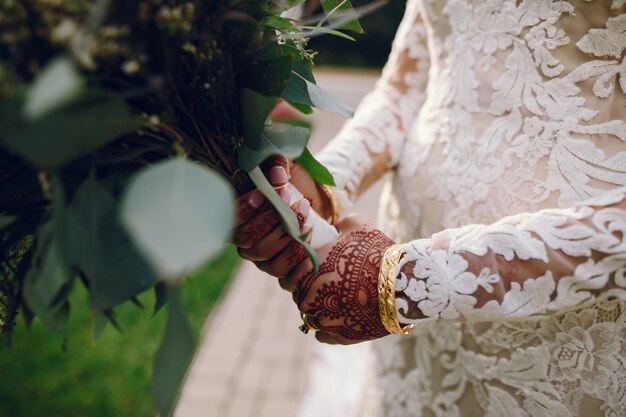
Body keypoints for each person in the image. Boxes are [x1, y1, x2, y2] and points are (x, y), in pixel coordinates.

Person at [235, 1, 626, 416]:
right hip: (411, 330)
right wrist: (325, 182)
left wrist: (413, 281)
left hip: (570, 333)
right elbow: (406, 90)